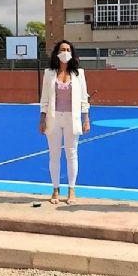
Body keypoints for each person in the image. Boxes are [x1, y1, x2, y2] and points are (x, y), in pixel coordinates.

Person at [39, 40, 90, 205]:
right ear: (57, 52)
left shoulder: (79, 74)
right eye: (62, 49)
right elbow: (44, 99)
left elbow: (84, 98)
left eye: (68, 49)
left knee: (72, 154)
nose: (65, 52)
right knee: (54, 155)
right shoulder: (49, 73)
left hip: (72, 119)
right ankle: (55, 189)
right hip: (53, 118)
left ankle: (72, 189)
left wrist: (86, 118)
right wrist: (42, 119)